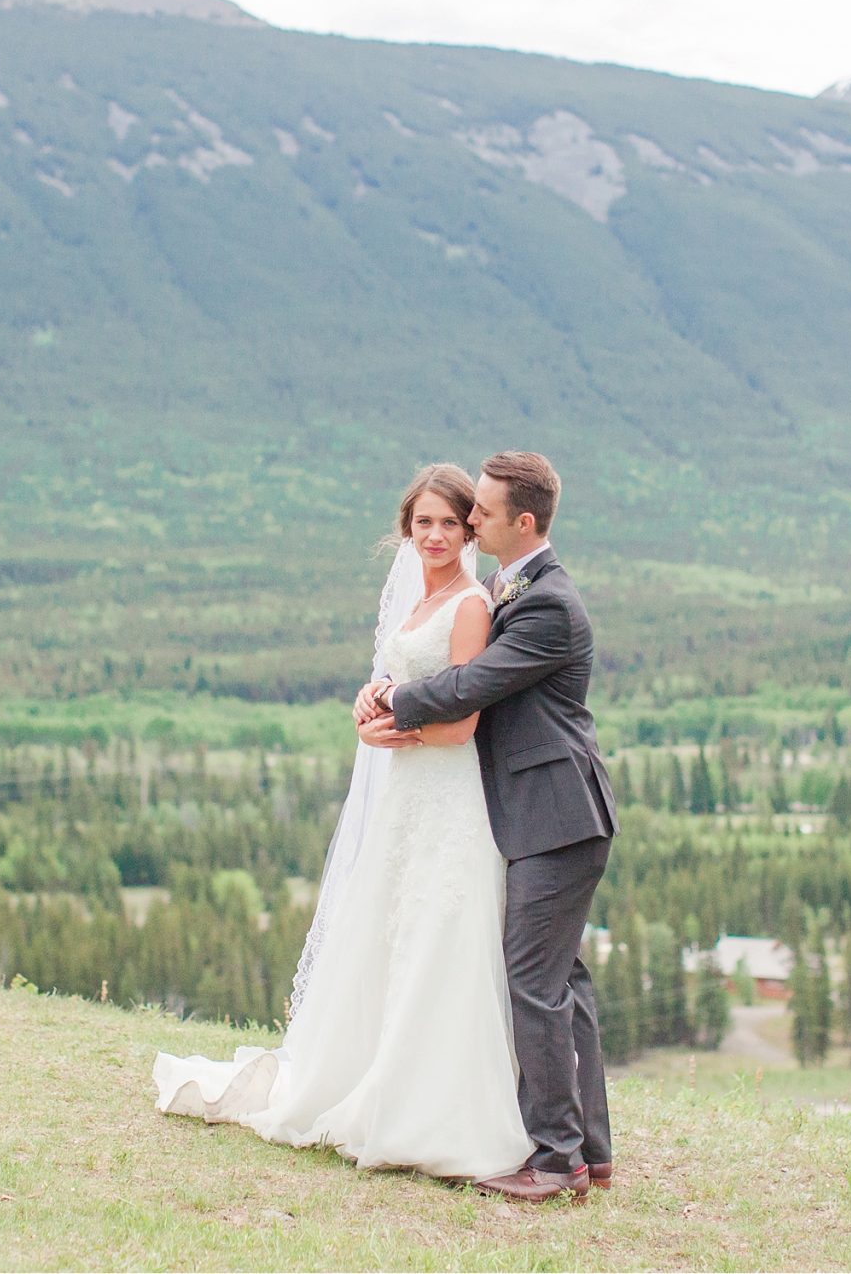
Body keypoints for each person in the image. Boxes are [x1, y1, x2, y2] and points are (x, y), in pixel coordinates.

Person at [152, 463, 531, 1182]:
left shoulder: (471, 607)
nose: (437, 534)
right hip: (404, 798)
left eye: (451, 522)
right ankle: (367, 1081)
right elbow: (402, 688)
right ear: (405, 530)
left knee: (440, 943)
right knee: (386, 939)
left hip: (448, 799)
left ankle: (431, 1111)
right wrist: (371, 712)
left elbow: (461, 726)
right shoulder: (416, 606)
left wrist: (396, 734)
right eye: (424, 522)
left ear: (471, 528)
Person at [357, 450, 618, 1203]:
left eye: (482, 513)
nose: (471, 522)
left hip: (556, 817)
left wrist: (390, 702)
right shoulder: (518, 587)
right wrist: (380, 696)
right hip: (542, 814)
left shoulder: (548, 606)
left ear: (522, 521)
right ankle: (589, 1152)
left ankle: (556, 1161)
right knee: (562, 981)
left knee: (534, 983)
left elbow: (475, 684)